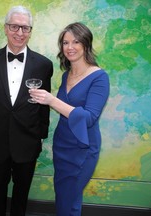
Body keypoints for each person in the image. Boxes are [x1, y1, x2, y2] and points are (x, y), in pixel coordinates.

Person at [0, 5, 53, 216]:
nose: (20, 33)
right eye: (15, 27)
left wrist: (40, 136)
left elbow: (44, 105)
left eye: (25, 28)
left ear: (30, 31)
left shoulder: (44, 64)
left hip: (27, 141)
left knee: (22, 192)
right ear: (5, 28)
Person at [29, 22, 110, 216]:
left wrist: (51, 100)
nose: (70, 47)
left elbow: (89, 117)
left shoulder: (99, 77)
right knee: (64, 197)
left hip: (82, 149)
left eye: (76, 42)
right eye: (65, 42)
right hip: (62, 145)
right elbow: (68, 111)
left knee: (70, 197)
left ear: (86, 44)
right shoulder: (67, 76)